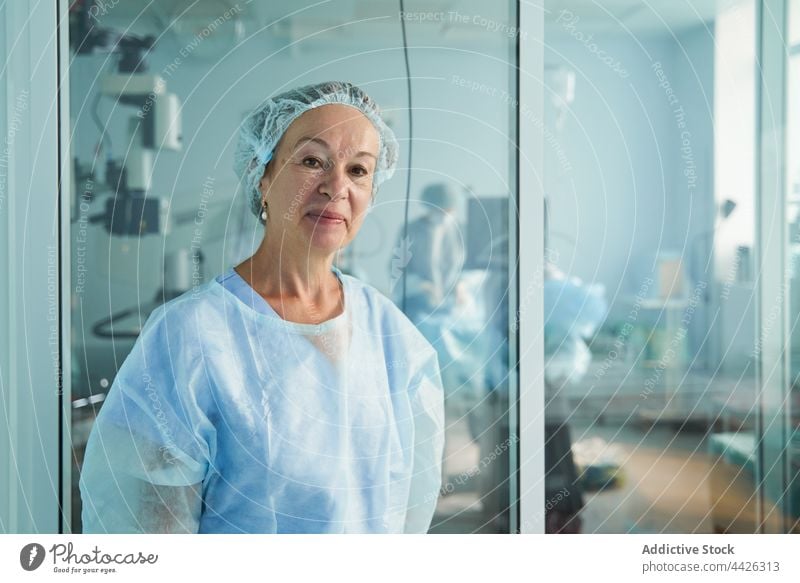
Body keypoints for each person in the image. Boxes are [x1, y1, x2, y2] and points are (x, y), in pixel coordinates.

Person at [79, 81, 446, 534]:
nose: (336, 187)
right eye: (312, 161)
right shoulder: (191, 336)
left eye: (358, 170)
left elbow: (408, 513)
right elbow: (142, 533)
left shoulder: (392, 335)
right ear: (262, 174)